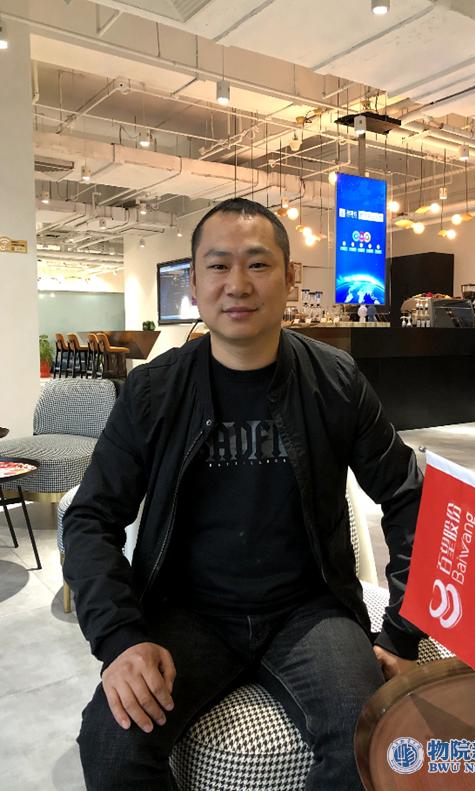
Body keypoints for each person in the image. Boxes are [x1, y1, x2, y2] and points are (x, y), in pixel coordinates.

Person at [63, 197, 424, 791]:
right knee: (111, 743)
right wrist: (120, 638)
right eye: (218, 266)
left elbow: (409, 495)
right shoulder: (153, 392)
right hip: (187, 612)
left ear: (289, 277)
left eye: (257, 264)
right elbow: (91, 518)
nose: (237, 284)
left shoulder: (335, 380)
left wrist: (403, 631)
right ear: (195, 282)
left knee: (370, 739)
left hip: (310, 611)